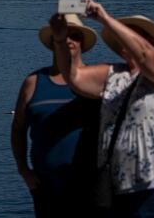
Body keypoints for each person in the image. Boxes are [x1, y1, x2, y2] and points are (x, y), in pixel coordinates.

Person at [50, 0, 154, 217]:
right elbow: (74, 77)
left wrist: (104, 18)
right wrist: (59, 41)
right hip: (120, 188)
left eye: (132, 34)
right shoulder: (113, 74)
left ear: (148, 42)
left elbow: (144, 55)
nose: (126, 39)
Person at [11, 14, 103, 217]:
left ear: (82, 43)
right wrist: (23, 170)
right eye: (62, 34)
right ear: (53, 41)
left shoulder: (97, 79)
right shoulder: (33, 82)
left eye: (75, 36)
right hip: (45, 186)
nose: (69, 40)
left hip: (89, 185)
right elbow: (18, 128)